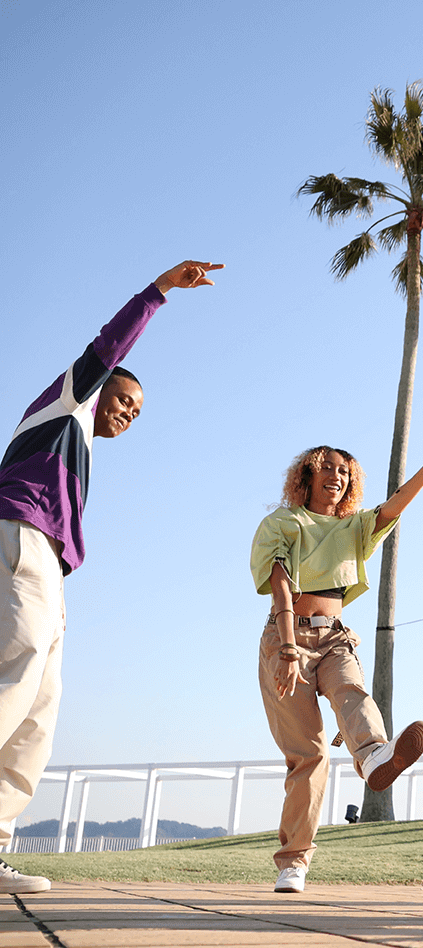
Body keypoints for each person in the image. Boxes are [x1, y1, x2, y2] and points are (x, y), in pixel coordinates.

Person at [0, 260, 222, 893]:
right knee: (15, 681)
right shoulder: (67, 402)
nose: (128, 413)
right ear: (101, 391)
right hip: (24, 539)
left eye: (137, 411)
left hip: (51, 566)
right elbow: (106, 346)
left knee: (39, 711)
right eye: (125, 400)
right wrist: (159, 291)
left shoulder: (82, 447)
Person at [250, 445, 423, 893]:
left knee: (351, 691)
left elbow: (389, 509)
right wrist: (285, 649)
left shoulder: (351, 528)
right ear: (306, 475)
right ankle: (294, 862)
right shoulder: (282, 524)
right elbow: (280, 588)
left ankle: (374, 754)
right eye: (326, 469)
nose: (336, 477)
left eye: (344, 472)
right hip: (287, 639)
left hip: (335, 635)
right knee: (310, 755)